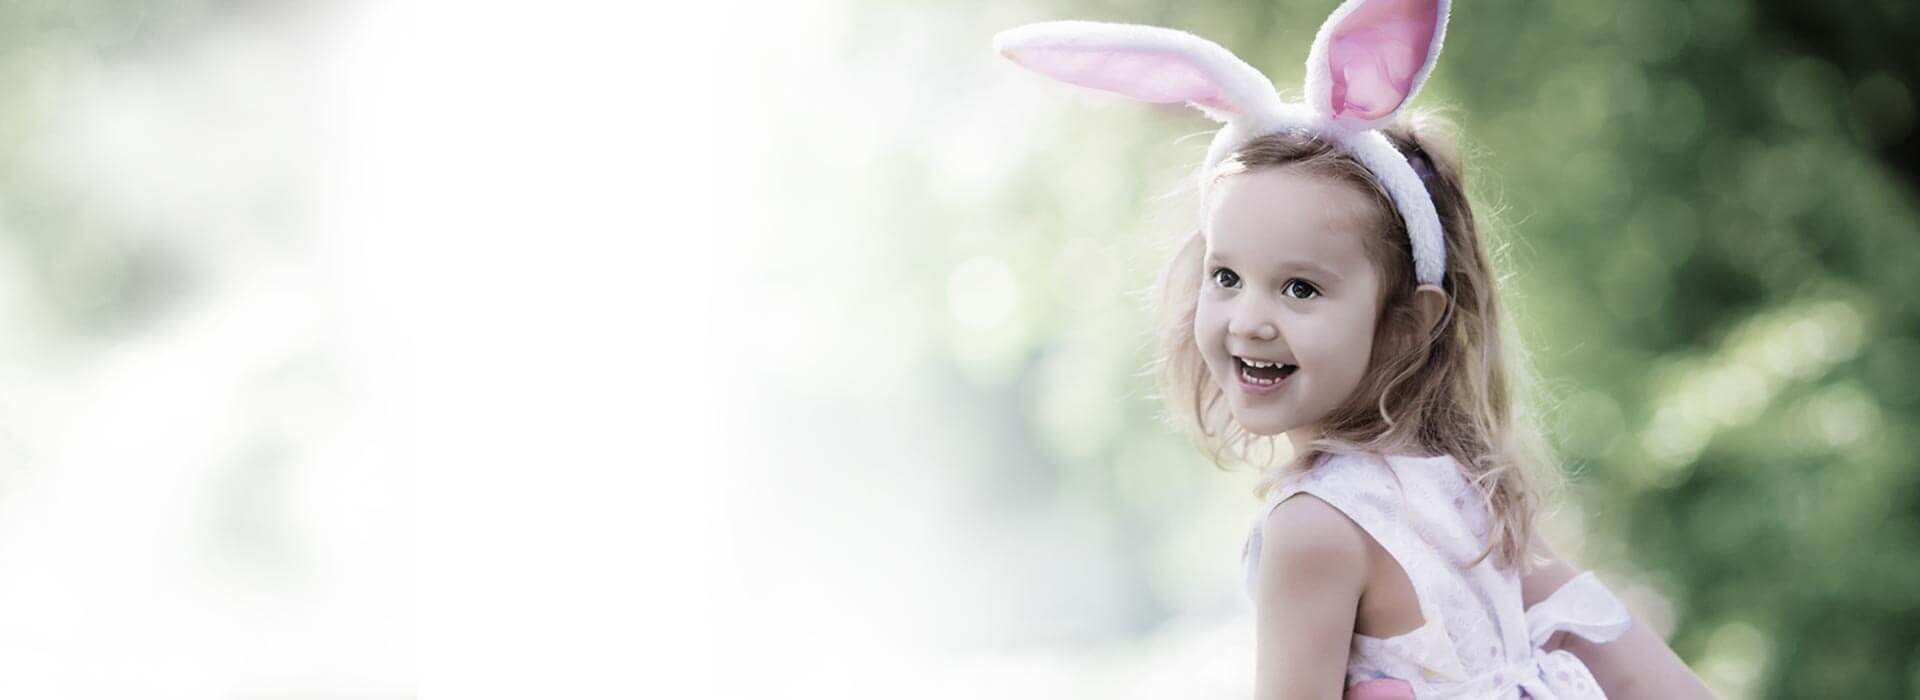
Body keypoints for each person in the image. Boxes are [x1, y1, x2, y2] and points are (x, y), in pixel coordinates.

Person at [994, 2, 1720, 698]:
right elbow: (1632, 664)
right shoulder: (1468, 490)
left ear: (1407, 324)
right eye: (1227, 276)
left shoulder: (1314, 528)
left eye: (1301, 289)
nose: (1249, 319)